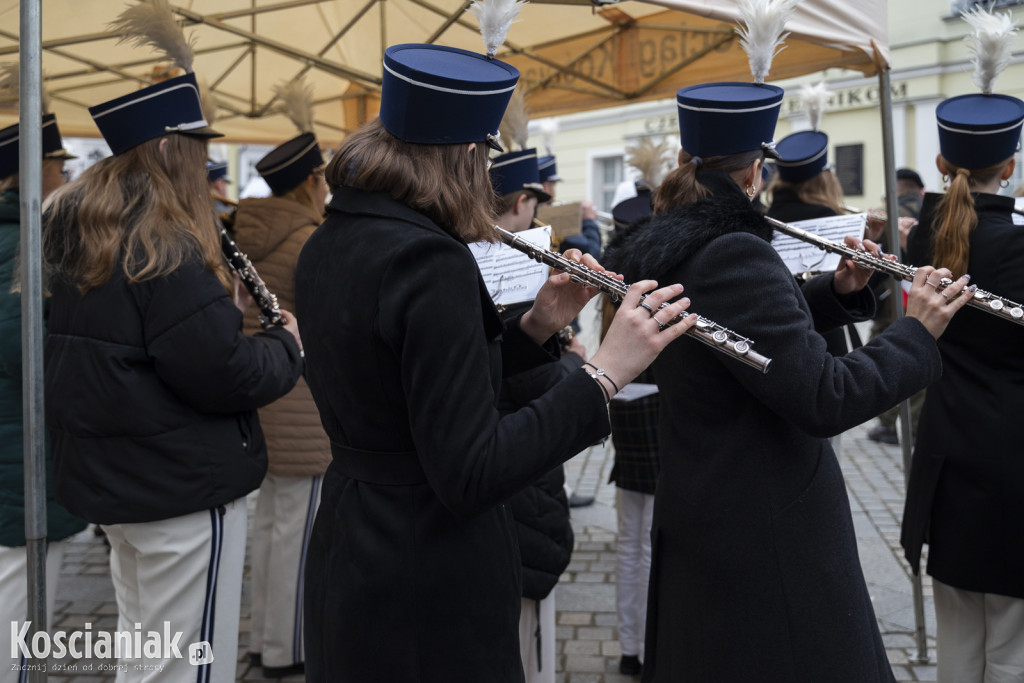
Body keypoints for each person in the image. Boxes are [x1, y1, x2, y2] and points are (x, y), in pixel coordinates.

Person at [295, 42, 697, 683]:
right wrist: (605, 373)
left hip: (355, 541)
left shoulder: (334, 238)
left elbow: (415, 387)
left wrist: (539, 324)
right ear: (461, 156)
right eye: (482, 159)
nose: (486, 177)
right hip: (427, 571)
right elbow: (472, 470)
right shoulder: (428, 261)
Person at [600, 76, 973, 682]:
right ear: (755, 174)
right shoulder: (733, 250)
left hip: (713, 504)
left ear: (683, 161)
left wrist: (840, 289)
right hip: (762, 526)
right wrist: (917, 331)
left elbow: (749, 340)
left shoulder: (683, 239)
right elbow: (824, 395)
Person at [40, 71, 305, 682]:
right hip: (181, 486)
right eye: (199, 149)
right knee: (184, 664)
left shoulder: (86, 229)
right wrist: (282, 345)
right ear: (167, 149)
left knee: (147, 655)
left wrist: (221, 314)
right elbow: (222, 374)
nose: (206, 162)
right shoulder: (167, 242)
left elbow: (141, 345)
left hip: (119, 481)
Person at [900, 31, 1024, 681]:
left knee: (958, 647)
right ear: (1010, 166)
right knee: (1012, 647)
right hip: (1011, 463)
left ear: (945, 162)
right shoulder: (1016, 245)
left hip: (946, 454)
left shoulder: (928, 231)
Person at [231, 132, 330, 679]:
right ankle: (285, 650)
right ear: (311, 182)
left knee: (270, 528)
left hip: (262, 397)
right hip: (303, 405)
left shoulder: (248, 231)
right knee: (297, 534)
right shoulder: (307, 240)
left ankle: (265, 639)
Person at [0, 113, 86, 682]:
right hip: (17, 449)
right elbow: (22, 346)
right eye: (58, 166)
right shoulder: (22, 241)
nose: (64, 179)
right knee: (20, 595)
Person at [600, 183, 657, 678]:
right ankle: (647, 644)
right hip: (659, 407)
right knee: (652, 540)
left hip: (623, 405)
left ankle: (629, 646)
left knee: (631, 537)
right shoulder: (656, 277)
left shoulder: (612, 281)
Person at [866, 166, 928, 445]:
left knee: (887, 350)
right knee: (919, 348)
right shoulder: (929, 212)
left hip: (891, 295)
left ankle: (888, 423)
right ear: (920, 190)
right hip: (920, 292)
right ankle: (915, 424)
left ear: (896, 189)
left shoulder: (888, 212)